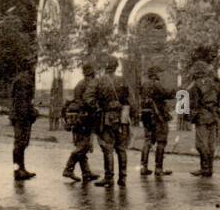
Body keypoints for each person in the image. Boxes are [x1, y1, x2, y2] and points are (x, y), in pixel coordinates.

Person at [93, 55, 131, 187]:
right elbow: (128, 99)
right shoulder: (122, 80)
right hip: (122, 118)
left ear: (106, 66)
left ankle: (109, 178)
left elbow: (89, 98)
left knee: (108, 148)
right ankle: (123, 178)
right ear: (116, 67)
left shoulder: (99, 81)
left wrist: (98, 108)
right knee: (121, 148)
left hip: (107, 118)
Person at [63, 62, 99, 182]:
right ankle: (68, 169)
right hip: (84, 118)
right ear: (91, 73)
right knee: (83, 146)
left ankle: (86, 173)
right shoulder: (88, 84)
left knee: (82, 145)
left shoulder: (80, 83)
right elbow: (88, 102)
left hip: (79, 118)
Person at [139, 66, 173, 178]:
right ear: (155, 74)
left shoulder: (144, 84)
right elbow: (166, 94)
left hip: (146, 116)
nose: (161, 75)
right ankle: (158, 168)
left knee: (147, 140)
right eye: (159, 72)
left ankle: (143, 167)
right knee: (161, 141)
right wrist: (176, 91)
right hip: (158, 116)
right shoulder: (156, 84)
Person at [188, 62, 220, 178]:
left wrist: (190, 116)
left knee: (201, 144)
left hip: (202, 116)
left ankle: (204, 168)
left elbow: (194, 103)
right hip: (213, 116)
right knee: (211, 144)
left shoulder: (195, 85)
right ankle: (209, 168)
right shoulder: (213, 83)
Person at [9, 62, 38, 180]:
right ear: (29, 66)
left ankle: (20, 169)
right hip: (22, 117)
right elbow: (23, 102)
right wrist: (33, 113)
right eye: (34, 65)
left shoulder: (22, 79)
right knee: (20, 144)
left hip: (20, 116)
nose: (35, 68)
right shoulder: (23, 80)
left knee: (21, 144)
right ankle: (18, 171)